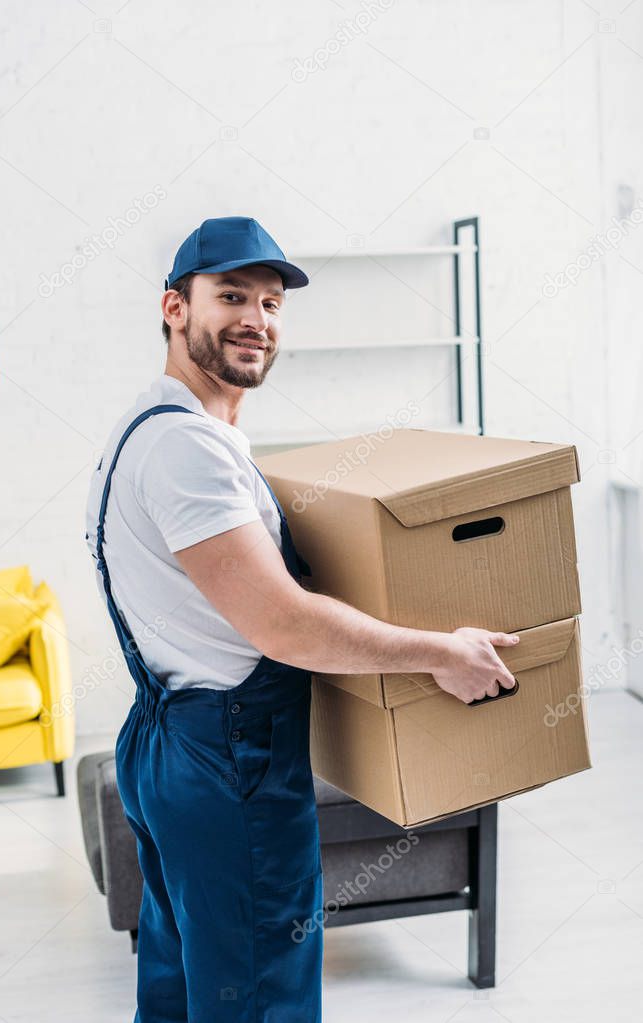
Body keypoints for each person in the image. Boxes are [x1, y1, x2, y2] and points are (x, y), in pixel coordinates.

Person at [84, 215, 519, 1023]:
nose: (257, 318)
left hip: (169, 739)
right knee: (259, 996)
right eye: (231, 296)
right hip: (230, 755)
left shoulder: (154, 431)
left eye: (272, 302)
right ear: (174, 307)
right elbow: (281, 626)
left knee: (186, 991)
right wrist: (436, 651)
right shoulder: (188, 449)